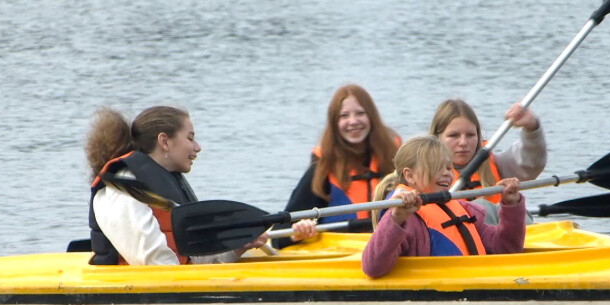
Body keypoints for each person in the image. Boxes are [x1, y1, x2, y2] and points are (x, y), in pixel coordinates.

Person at [85, 106, 267, 265]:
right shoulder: (123, 187)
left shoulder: (166, 183)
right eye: (190, 138)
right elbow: (154, 261)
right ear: (164, 141)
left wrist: (236, 248)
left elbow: (194, 257)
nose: (197, 147)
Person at [361, 136, 525, 278]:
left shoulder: (464, 209)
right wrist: (396, 219)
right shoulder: (404, 216)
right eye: (436, 167)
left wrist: (511, 205)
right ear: (410, 175)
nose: (447, 173)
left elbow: (506, 248)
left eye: (448, 167)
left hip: (472, 285)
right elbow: (372, 267)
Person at [273, 84, 401, 248]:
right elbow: (279, 233)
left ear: (371, 117)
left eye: (360, 113)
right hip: (344, 254)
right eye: (344, 116)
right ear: (335, 124)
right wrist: (297, 232)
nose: (353, 121)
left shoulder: (395, 163)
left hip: (390, 249)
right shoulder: (321, 171)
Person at [428, 99, 545, 224]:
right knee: (481, 205)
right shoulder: (421, 172)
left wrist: (531, 128)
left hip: (498, 235)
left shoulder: (495, 164)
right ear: (437, 138)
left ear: (478, 136)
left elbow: (531, 163)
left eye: (470, 135)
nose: (463, 143)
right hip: (451, 233)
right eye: (453, 135)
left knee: (514, 207)